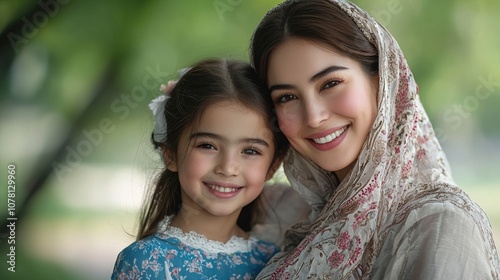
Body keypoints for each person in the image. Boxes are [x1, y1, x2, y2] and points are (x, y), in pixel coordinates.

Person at [250, 0, 500, 279]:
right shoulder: (299, 220)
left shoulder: (438, 224)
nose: (314, 117)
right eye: (287, 97)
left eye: (330, 84)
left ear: (382, 81)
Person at [111, 58, 290, 279]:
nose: (227, 168)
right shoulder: (145, 262)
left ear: (273, 165)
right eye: (207, 145)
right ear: (170, 154)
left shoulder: (274, 261)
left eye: (250, 151)